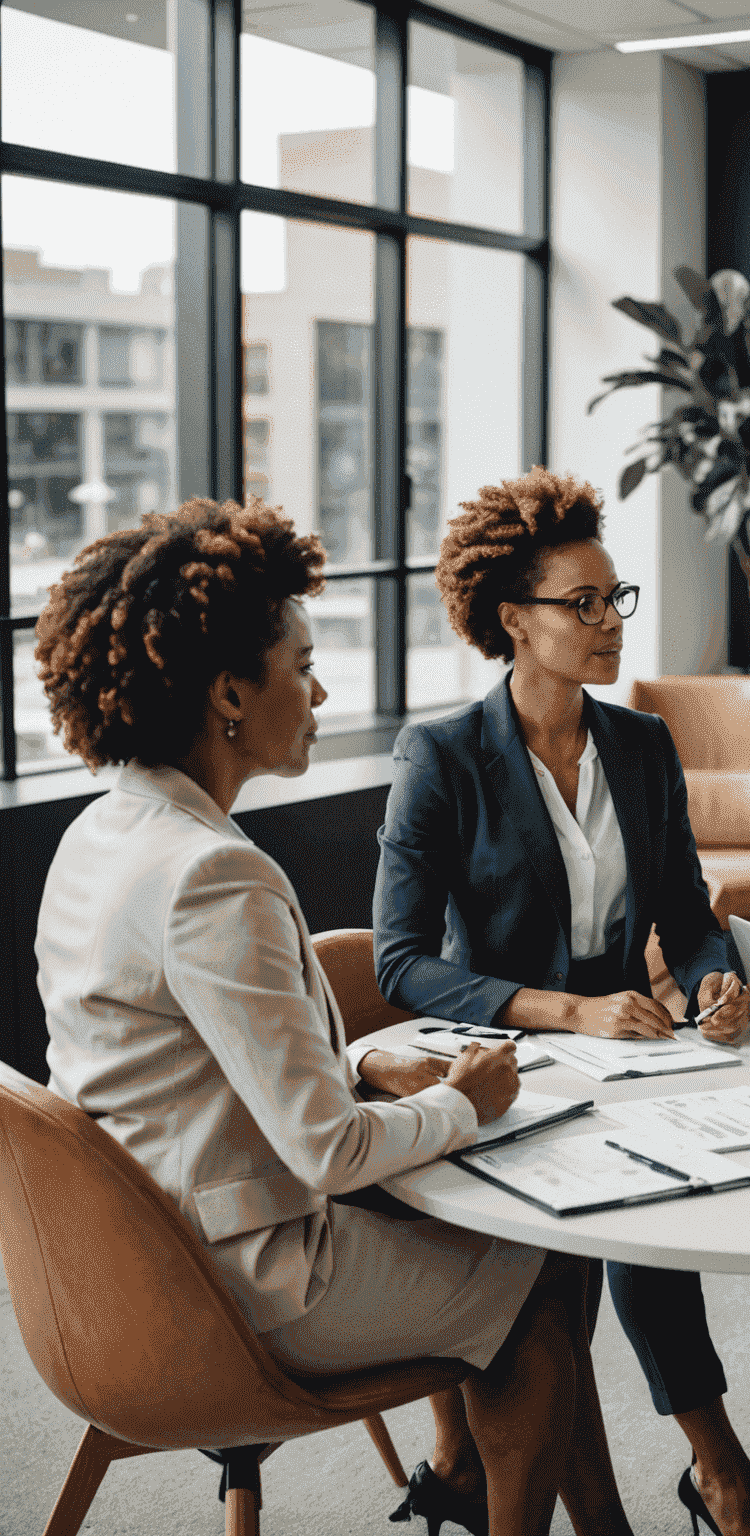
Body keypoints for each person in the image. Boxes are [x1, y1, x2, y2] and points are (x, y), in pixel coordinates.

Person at [32, 498, 634, 1536]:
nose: (319, 690)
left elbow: (183, 1065)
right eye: (302, 665)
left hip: (134, 1259)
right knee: (540, 1285)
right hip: (243, 1287)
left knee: (490, 1243)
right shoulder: (216, 875)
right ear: (230, 692)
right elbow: (327, 1155)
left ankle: (524, 1504)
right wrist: (463, 1099)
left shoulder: (102, 832)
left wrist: (356, 1069)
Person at [371, 467, 750, 1536]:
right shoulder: (443, 757)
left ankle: (712, 1471)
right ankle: (704, 1482)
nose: (609, 624)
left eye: (615, 600)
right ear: (514, 619)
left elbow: (685, 914)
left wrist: (712, 983)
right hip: (505, 1055)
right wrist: (563, 1009)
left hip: (632, 1049)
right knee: (583, 1262)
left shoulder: (640, 746)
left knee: (659, 1215)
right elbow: (401, 963)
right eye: (582, 604)